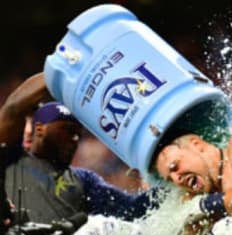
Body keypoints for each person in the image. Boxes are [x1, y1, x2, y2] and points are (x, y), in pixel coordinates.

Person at [0, 72, 156, 226]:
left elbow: (133, 210)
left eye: (77, 134)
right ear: (40, 129)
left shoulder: (83, 181)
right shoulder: (10, 160)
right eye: (67, 130)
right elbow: (14, 108)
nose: (75, 139)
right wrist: (67, 72)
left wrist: (165, 183)